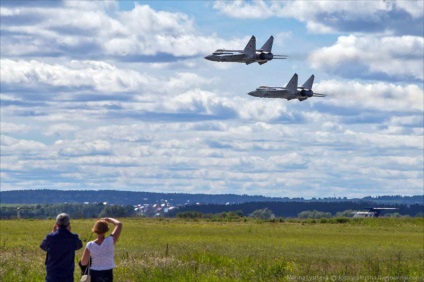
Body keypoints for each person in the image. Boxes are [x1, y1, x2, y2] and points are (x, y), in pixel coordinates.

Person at [40, 213, 83, 282]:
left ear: (56, 224)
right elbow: (79, 246)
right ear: (68, 224)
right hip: (67, 274)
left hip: (52, 273)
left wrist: (53, 232)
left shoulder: (50, 237)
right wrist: (69, 232)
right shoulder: (73, 237)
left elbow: (43, 246)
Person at [80, 217, 122, 282]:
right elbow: (119, 224)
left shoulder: (90, 245)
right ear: (106, 229)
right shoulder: (110, 241)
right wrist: (109, 219)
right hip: (107, 272)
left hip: (94, 272)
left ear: (95, 229)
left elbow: (83, 262)